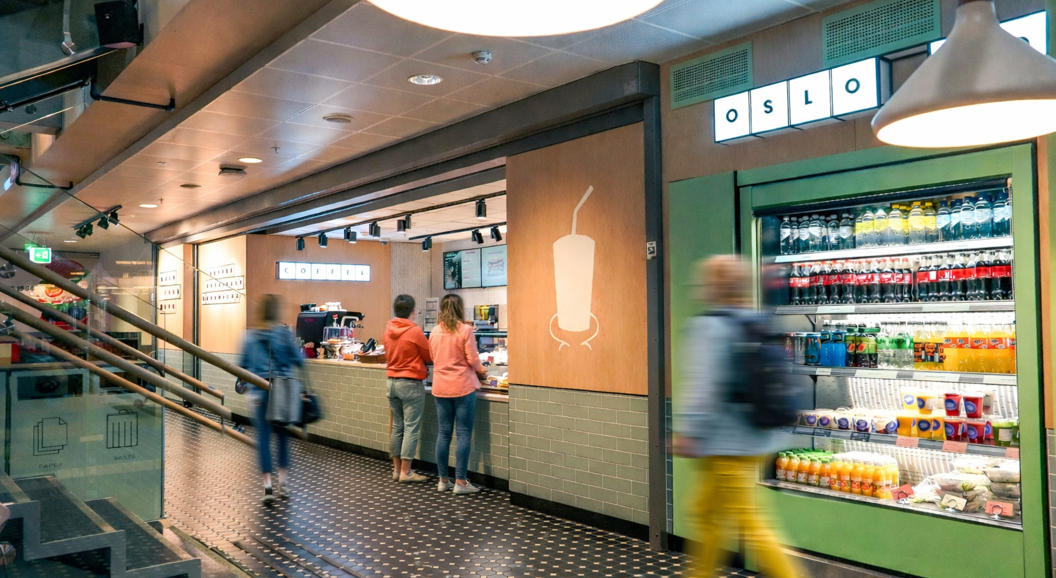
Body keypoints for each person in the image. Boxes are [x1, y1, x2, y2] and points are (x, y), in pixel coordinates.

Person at [673, 256, 801, 578]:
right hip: (755, 437)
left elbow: (704, 386)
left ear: (713, 287)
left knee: (749, 524)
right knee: (705, 512)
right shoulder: (752, 321)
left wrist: (689, 430)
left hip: (725, 443)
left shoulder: (710, 326)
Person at [238, 294, 304, 505]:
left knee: (264, 440)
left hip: (259, 392)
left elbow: (242, 366)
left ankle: (267, 486)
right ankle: (283, 483)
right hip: (282, 393)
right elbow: (299, 360)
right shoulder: (284, 334)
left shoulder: (249, 337)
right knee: (283, 437)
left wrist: (246, 384)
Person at [429, 294, 487, 494]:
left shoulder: (434, 331)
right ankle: (460, 482)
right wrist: (482, 370)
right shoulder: (465, 330)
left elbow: (432, 356)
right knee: (463, 433)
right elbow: (473, 359)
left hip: (441, 387)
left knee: (443, 433)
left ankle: (443, 480)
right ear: (460, 309)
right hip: (462, 386)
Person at [384, 294, 432, 483]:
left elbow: (388, 353)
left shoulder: (388, 329)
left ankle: (396, 470)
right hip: (410, 384)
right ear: (413, 311)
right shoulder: (415, 331)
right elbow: (429, 355)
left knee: (397, 426)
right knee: (411, 428)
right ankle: (406, 472)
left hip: (392, 382)